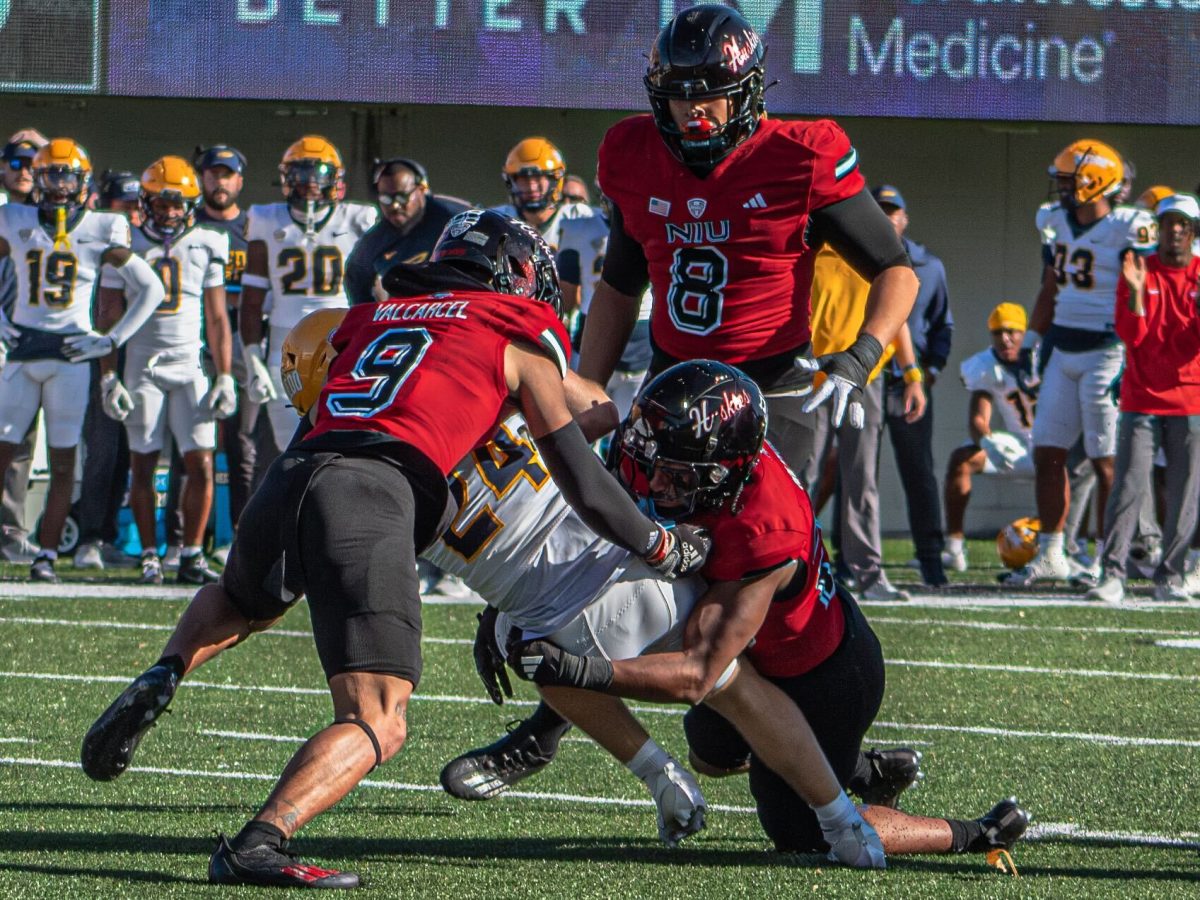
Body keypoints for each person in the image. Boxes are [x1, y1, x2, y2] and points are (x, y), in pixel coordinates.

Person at [83, 210, 709, 888]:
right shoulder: (512, 323)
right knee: (379, 719)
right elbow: (586, 455)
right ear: (519, 276)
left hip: (298, 470)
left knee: (242, 600)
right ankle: (259, 843)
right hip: (380, 492)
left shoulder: (371, 316)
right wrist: (657, 543)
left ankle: (168, 668)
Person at [499, 361, 1029, 864]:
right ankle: (863, 770)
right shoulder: (684, 457)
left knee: (797, 832)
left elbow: (696, 673)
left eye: (678, 475)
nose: (656, 484)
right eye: (654, 463)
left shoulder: (765, 529)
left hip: (824, 678)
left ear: (724, 470)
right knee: (711, 753)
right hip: (759, 657)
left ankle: (968, 831)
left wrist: (578, 673)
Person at [576, 4, 917, 481]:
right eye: (679, 96)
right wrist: (590, 384)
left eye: (710, 95)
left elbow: (895, 267)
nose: (693, 111)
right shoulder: (633, 155)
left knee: (761, 544)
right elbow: (619, 286)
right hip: (671, 381)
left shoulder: (799, 156)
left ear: (748, 91)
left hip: (770, 389)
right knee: (646, 540)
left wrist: (863, 354)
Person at [0, 138, 165, 581]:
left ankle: (47, 557)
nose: (58, 183)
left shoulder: (101, 227)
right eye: (51, 173)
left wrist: (111, 341)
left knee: (64, 461)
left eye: (66, 174)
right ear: (37, 176)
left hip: (72, 353)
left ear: (83, 180)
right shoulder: (13, 217)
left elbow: (152, 289)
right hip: (22, 351)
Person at [1003, 139, 1157, 587]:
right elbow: (1050, 285)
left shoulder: (1130, 226)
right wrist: (1033, 338)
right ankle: (1053, 552)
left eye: (1069, 181)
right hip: (1062, 349)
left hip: (1109, 351)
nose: (1062, 191)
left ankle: (1108, 558)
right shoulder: (1053, 222)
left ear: (1095, 183)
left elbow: (1145, 289)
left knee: (1106, 457)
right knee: (1048, 452)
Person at [97, 156, 234, 585]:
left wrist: (226, 374)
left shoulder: (208, 241)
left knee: (202, 464)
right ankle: (150, 556)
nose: (171, 212)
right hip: (143, 364)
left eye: (178, 205)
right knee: (144, 464)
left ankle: (191, 553)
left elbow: (216, 317)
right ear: (146, 202)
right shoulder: (124, 244)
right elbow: (108, 314)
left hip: (189, 363)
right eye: (162, 204)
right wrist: (108, 374)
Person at [1085, 195, 1200, 603]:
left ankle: (1170, 576)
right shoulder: (1139, 269)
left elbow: (1190, 345)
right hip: (1140, 396)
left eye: (1183, 224)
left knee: (1186, 491)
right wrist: (1135, 296)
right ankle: (1112, 573)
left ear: (1193, 231)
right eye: (1168, 222)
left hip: (1190, 399)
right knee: (1129, 484)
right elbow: (1132, 337)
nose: (1175, 230)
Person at [239, 135, 377, 455]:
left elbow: (373, 293)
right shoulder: (265, 219)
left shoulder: (358, 219)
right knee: (292, 450)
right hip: (284, 351)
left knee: (341, 448)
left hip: (342, 346)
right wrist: (251, 359)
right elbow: (252, 299)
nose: (310, 185)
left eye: (319, 177)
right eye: (301, 176)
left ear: (335, 180)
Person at [804, 245, 926, 601]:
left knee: (862, 478)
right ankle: (794, 568)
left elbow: (895, 316)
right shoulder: (809, 250)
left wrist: (912, 373)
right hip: (814, 378)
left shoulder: (875, 254)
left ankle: (869, 576)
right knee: (802, 477)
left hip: (864, 378)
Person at [193, 144, 273, 548]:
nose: (219, 181)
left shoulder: (253, 228)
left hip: (243, 346)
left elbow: (263, 292)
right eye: (212, 173)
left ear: (240, 180)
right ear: (201, 177)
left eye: (227, 174)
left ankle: (239, 535)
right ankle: (183, 539)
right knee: (190, 444)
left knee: (244, 444)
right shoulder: (187, 224)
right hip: (193, 345)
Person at [873, 185, 953, 586]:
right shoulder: (853, 256)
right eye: (879, 210)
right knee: (853, 473)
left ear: (905, 218)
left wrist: (930, 370)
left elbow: (942, 326)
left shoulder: (929, 266)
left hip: (908, 382)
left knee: (919, 472)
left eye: (893, 211)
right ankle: (844, 561)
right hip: (866, 376)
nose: (887, 218)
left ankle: (931, 561)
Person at [72, 171, 145, 571]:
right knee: (102, 449)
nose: (131, 214)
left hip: (134, 354)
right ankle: (89, 537)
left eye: (136, 205)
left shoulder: (141, 244)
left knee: (126, 452)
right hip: (98, 354)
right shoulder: (92, 239)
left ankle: (107, 535)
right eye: (124, 205)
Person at [942, 303, 1039, 571]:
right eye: (997, 333)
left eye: (1011, 332)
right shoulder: (986, 365)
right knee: (961, 460)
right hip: (1020, 447)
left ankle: (1075, 547)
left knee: (1088, 464)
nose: (1005, 339)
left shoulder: (1044, 356)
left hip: (1054, 445)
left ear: (1024, 332)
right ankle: (954, 548)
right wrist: (987, 441)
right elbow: (978, 419)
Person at [344, 157, 471, 305]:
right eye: (386, 199)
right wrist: (368, 315)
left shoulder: (456, 219)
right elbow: (355, 278)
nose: (395, 206)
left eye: (402, 197)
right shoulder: (374, 241)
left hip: (455, 308)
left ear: (421, 190)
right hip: (404, 317)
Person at [494, 137, 592, 250]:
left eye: (538, 177)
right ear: (512, 181)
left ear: (554, 179)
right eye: (524, 179)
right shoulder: (499, 219)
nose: (531, 187)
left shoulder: (578, 216)